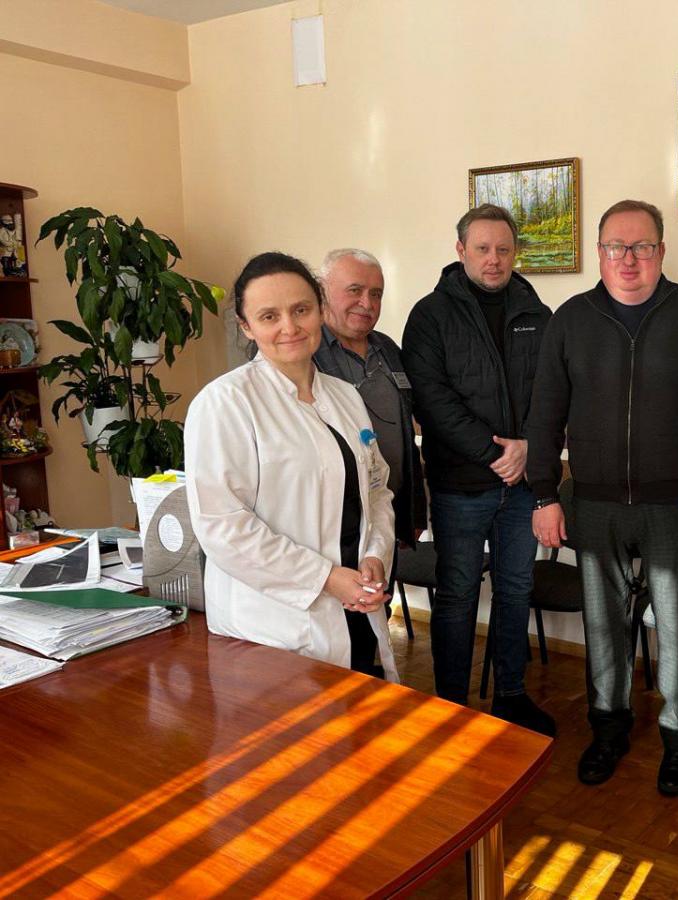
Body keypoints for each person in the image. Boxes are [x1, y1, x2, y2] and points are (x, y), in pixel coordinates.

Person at [526, 199, 678, 796]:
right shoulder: (571, 320)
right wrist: (544, 495)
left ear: (661, 250)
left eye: (642, 247)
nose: (628, 259)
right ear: (599, 252)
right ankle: (608, 728)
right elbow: (544, 414)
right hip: (596, 502)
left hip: (675, 505)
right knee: (604, 627)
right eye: (615, 247)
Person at [185, 252, 398, 679]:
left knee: (357, 715)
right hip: (275, 624)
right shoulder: (225, 403)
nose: (290, 327)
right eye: (269, 316)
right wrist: (326, 578)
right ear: (246, 326)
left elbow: (376, 490)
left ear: (320, 310)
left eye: (301, 310)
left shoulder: (345, 396)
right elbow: (224, 527)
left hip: (355, 603)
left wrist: (376, 554)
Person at [401, 204, 555, 737]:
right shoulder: (430, 315)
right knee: (459, 593)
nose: (494, 260)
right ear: (461, 250)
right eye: (483, 249)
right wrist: (497, 455)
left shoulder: (536, 311)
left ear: (515, 253)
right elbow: (433, 401)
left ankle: (510, 695)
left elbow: (552, 392)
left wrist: (528, 448)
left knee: (515, 590)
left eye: (504, 250)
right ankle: (452, 705)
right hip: (460, 487)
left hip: (521, 487)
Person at [313, 247, 427, 595]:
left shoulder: (388, 349)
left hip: (385, 514)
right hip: (334, 524)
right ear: (322, 291)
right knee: (342, 616)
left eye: (376, 294)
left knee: (378, 606)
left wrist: (412, 512)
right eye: (355, 290)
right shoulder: (308, 355)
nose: (367, 302)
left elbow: (406, 433)